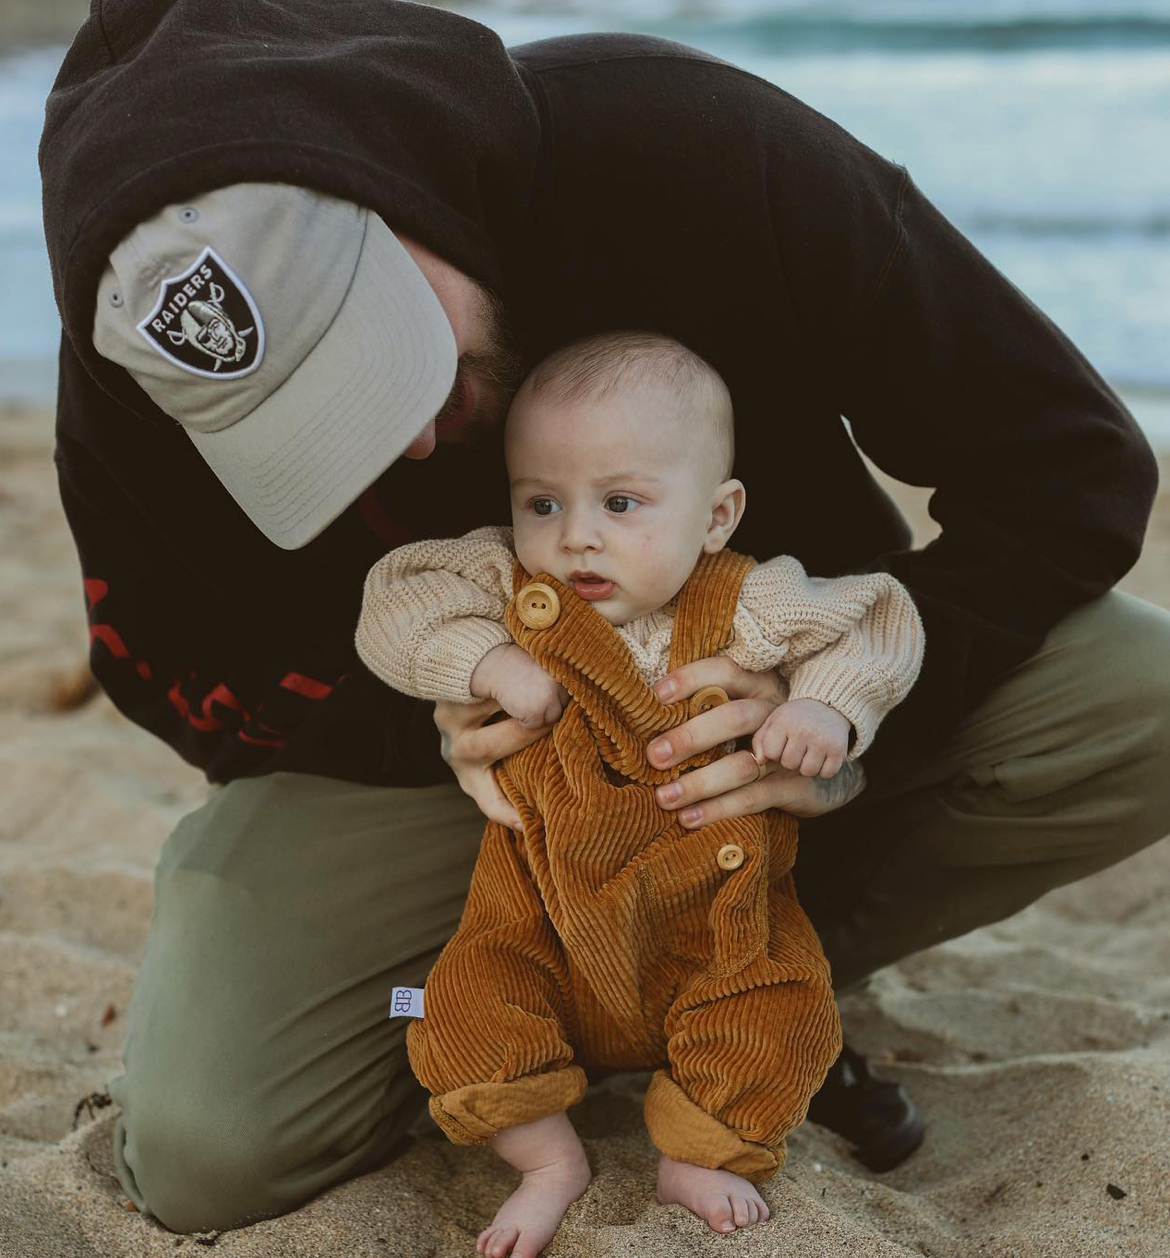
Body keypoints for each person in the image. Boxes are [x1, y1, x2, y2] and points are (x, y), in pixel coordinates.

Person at [37, 0, 1168, 1237]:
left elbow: (1072, 469)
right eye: (311, 427)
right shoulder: (140, 369)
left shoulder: (688, 146)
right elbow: (179, 676)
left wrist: (838, 713)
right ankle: (563, 995)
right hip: (450, 788)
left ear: (395, 182)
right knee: (213, 1150)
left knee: (1150, 705)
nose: (405, 441)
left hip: (778, 697)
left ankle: (738, 984)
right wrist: (435, 712)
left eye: (388, 358)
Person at [354, 329, 926, 1253]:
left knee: (782, 1012)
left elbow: (877, 617)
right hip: (540, 923)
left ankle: (698, 1153)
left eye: (621, 503)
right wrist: (488, 659)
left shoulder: (748, 601)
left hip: (716, 928)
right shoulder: (508, 582)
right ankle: (549, 1161)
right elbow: (394, 598)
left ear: (716, 515)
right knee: (452, 1008)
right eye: (543, 501)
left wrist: (828, 711)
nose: (576, 534)